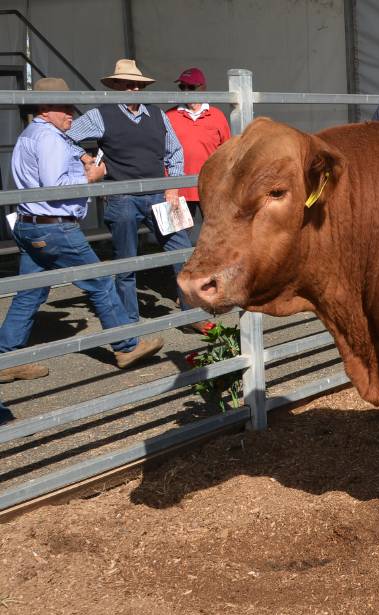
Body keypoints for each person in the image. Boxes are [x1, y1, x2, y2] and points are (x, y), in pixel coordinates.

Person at [0, 78, 164, 415]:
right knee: (101, 282)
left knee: (30, 291)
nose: (72, 115)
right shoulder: (48, 138)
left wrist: (81, 156)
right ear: (45, 109)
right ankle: (126, 346)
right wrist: (90, 176)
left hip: (32, 225)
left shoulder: (33, 133)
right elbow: (56, 185)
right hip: (56, 227)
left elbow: (61, 154)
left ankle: (7, 356)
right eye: (65, 108)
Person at [66, 59, 200, 329]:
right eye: (128, 84)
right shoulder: (99, 115)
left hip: (160, 194)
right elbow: (65, 137)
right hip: (122, 197)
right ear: (115, 86)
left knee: (183, 252)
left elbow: (175, 151)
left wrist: (173, 185)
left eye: (138, 85)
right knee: (126, 262)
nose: (134, 90)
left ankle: (192, 313)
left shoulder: (157, 115)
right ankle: (130, 323)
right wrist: (85, 158)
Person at [164, 67, 231, 231]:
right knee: (178, 236)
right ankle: (182, 258)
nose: (186, 91)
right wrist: (168, 187)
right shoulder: (169, 116)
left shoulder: (217, 116)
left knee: (217, 233)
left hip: (211, 188)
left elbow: (227, 152)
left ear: (203, 88)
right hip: (178, 190)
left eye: (191, 87)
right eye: (182, 87)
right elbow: (162, 153)